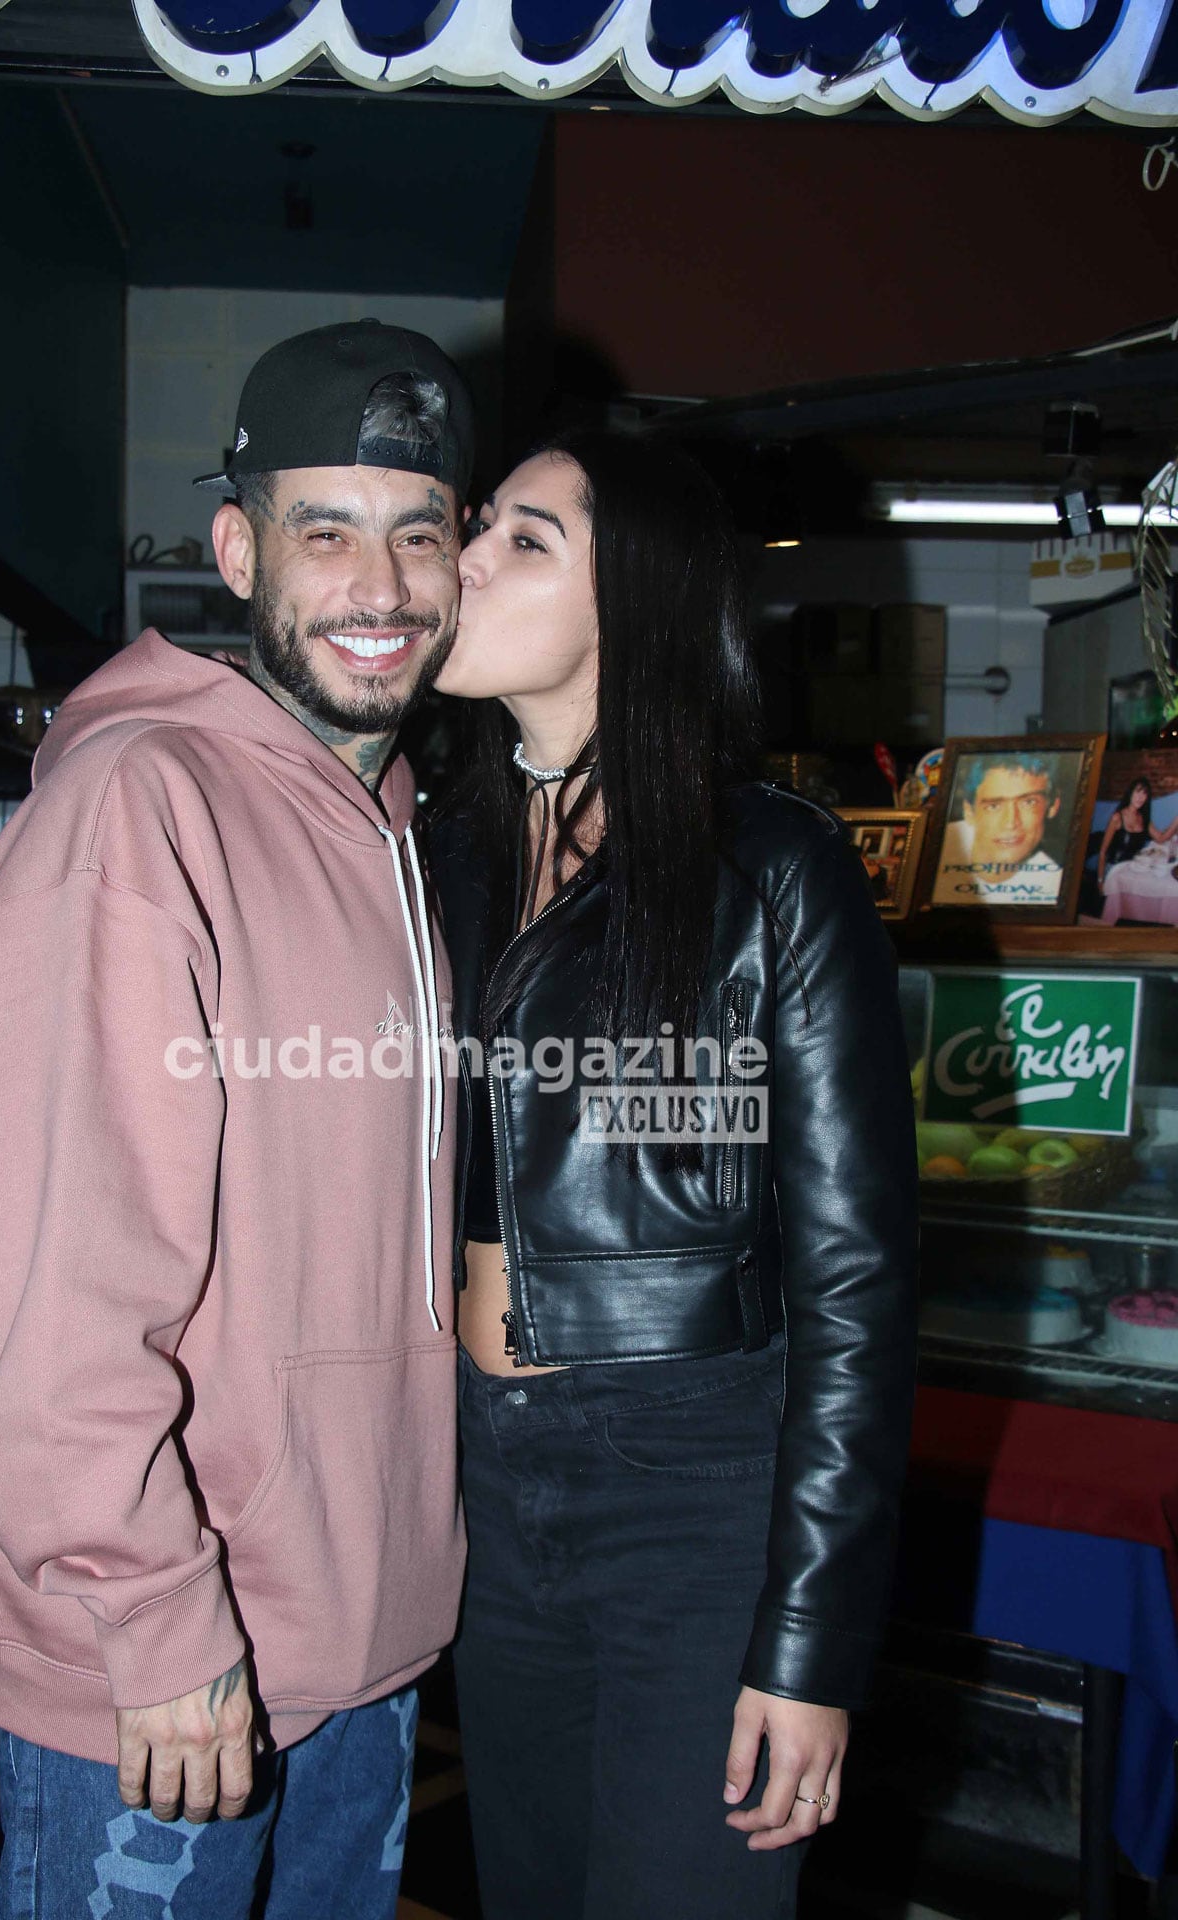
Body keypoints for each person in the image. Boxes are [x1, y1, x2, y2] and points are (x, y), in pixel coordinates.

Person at [0, 321, 472, 1919]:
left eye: (418, 530)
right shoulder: (138, 809)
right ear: (239, 552)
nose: (381, 584)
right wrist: (154, 1616)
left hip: (356, 1640)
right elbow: (55, 1278)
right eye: (327, 531)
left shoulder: (391, 829)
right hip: (159, 1667)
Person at [431, 432, 920, 1919]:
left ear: (634, 601)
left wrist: (810, 1643)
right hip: (482, 1485)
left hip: (691, 1488)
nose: (462, 560)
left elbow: (857, 1285)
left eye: (522, 540)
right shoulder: (431, 849)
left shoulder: (773, 869)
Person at [932, 751, 1066, 905]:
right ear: (969, 812)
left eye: (1029, 802)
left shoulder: (1053, 888)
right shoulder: (934, 849)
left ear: (1053, 806)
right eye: (994, 806)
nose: (1010, 822)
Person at [1097, 775, 1178, 892]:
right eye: (1137, 792)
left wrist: (1176, 820)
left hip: (1133, 869)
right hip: (1114, 871)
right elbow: (1103, 852)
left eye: (1144, 794)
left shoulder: (1143, 818)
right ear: (1130, 793)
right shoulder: (1117, 817)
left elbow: (1161, 838)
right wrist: (1100, 880)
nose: (1140, 797)